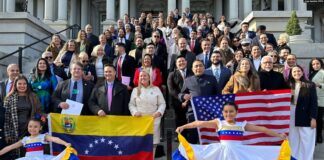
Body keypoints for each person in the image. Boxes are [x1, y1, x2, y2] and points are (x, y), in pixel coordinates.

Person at [175, 102, 287, 160]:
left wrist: (279, 135)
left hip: (239, 153)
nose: (228, 114)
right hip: (221, 152)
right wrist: (184, 126)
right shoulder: (219, 123)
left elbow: (262, 129)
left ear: (236, 112)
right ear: (223, 113)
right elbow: (199, 123)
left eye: (231, 111)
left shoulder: (242, 125)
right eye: (226, 112)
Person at [178, 60, 219, 143]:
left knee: (208, 137)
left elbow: (218, 94)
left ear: (204, 68)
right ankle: (192, 155)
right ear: (192, 69)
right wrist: (183, 96)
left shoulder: (212, 79)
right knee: (193, 136)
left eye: (200, 66)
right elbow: (180, 94)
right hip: (193, 112)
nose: (198, 68)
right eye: (196, 66)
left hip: (209, 112)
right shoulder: (188, 80)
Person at [129, 70, 166, 156]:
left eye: (145, 76)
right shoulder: (135, 90)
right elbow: (131, 104)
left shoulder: (156, 89)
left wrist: (159, 112)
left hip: (153, 120)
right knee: (140, 144)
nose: (143, 77)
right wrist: (135, 112)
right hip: (139, 120)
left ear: (149, 77)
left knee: (153, 144)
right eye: (141, 76)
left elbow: (162, 104)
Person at [3, 75, 41, 158]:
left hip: (30, 130)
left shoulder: (33, 96)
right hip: (14, 130)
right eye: (19, 84)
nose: (22, 86)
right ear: (15, 85)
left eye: (24, 84)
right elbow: (6, 118)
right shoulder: (9, 98)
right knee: (15, 153)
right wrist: (7, 134)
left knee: (29, 152)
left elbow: (38, 111)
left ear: (27, 85)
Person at [0, 119, 71, 160]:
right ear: (27, 127)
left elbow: (55, 139)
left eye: (35, 127)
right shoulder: (25, 139)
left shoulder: (43, 136)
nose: (32, 129)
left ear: (40, 128)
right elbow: (10, 147)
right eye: (30, 126)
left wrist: (65, 143)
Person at [287, 65, 317, 160]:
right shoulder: (287, 84)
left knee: (307, 139)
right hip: (291, 113)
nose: (297, 73)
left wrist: (313, 118)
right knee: (292, 138)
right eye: (294, 72)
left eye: (298, 71)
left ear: (302, 72)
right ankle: (294, 157)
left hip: (306, 114)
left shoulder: (310, 84)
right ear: (291, 74)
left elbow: (314, 102)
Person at [309, 58, 324, 143]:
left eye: (317, 63)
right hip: (312, 99)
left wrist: (320, 85)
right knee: (313, 118)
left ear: (321, 64)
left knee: (319, 118)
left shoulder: (323, 72)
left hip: (321, 99)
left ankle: (319, 135)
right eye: (313, 64)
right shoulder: (310, 74)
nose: (315, 66)